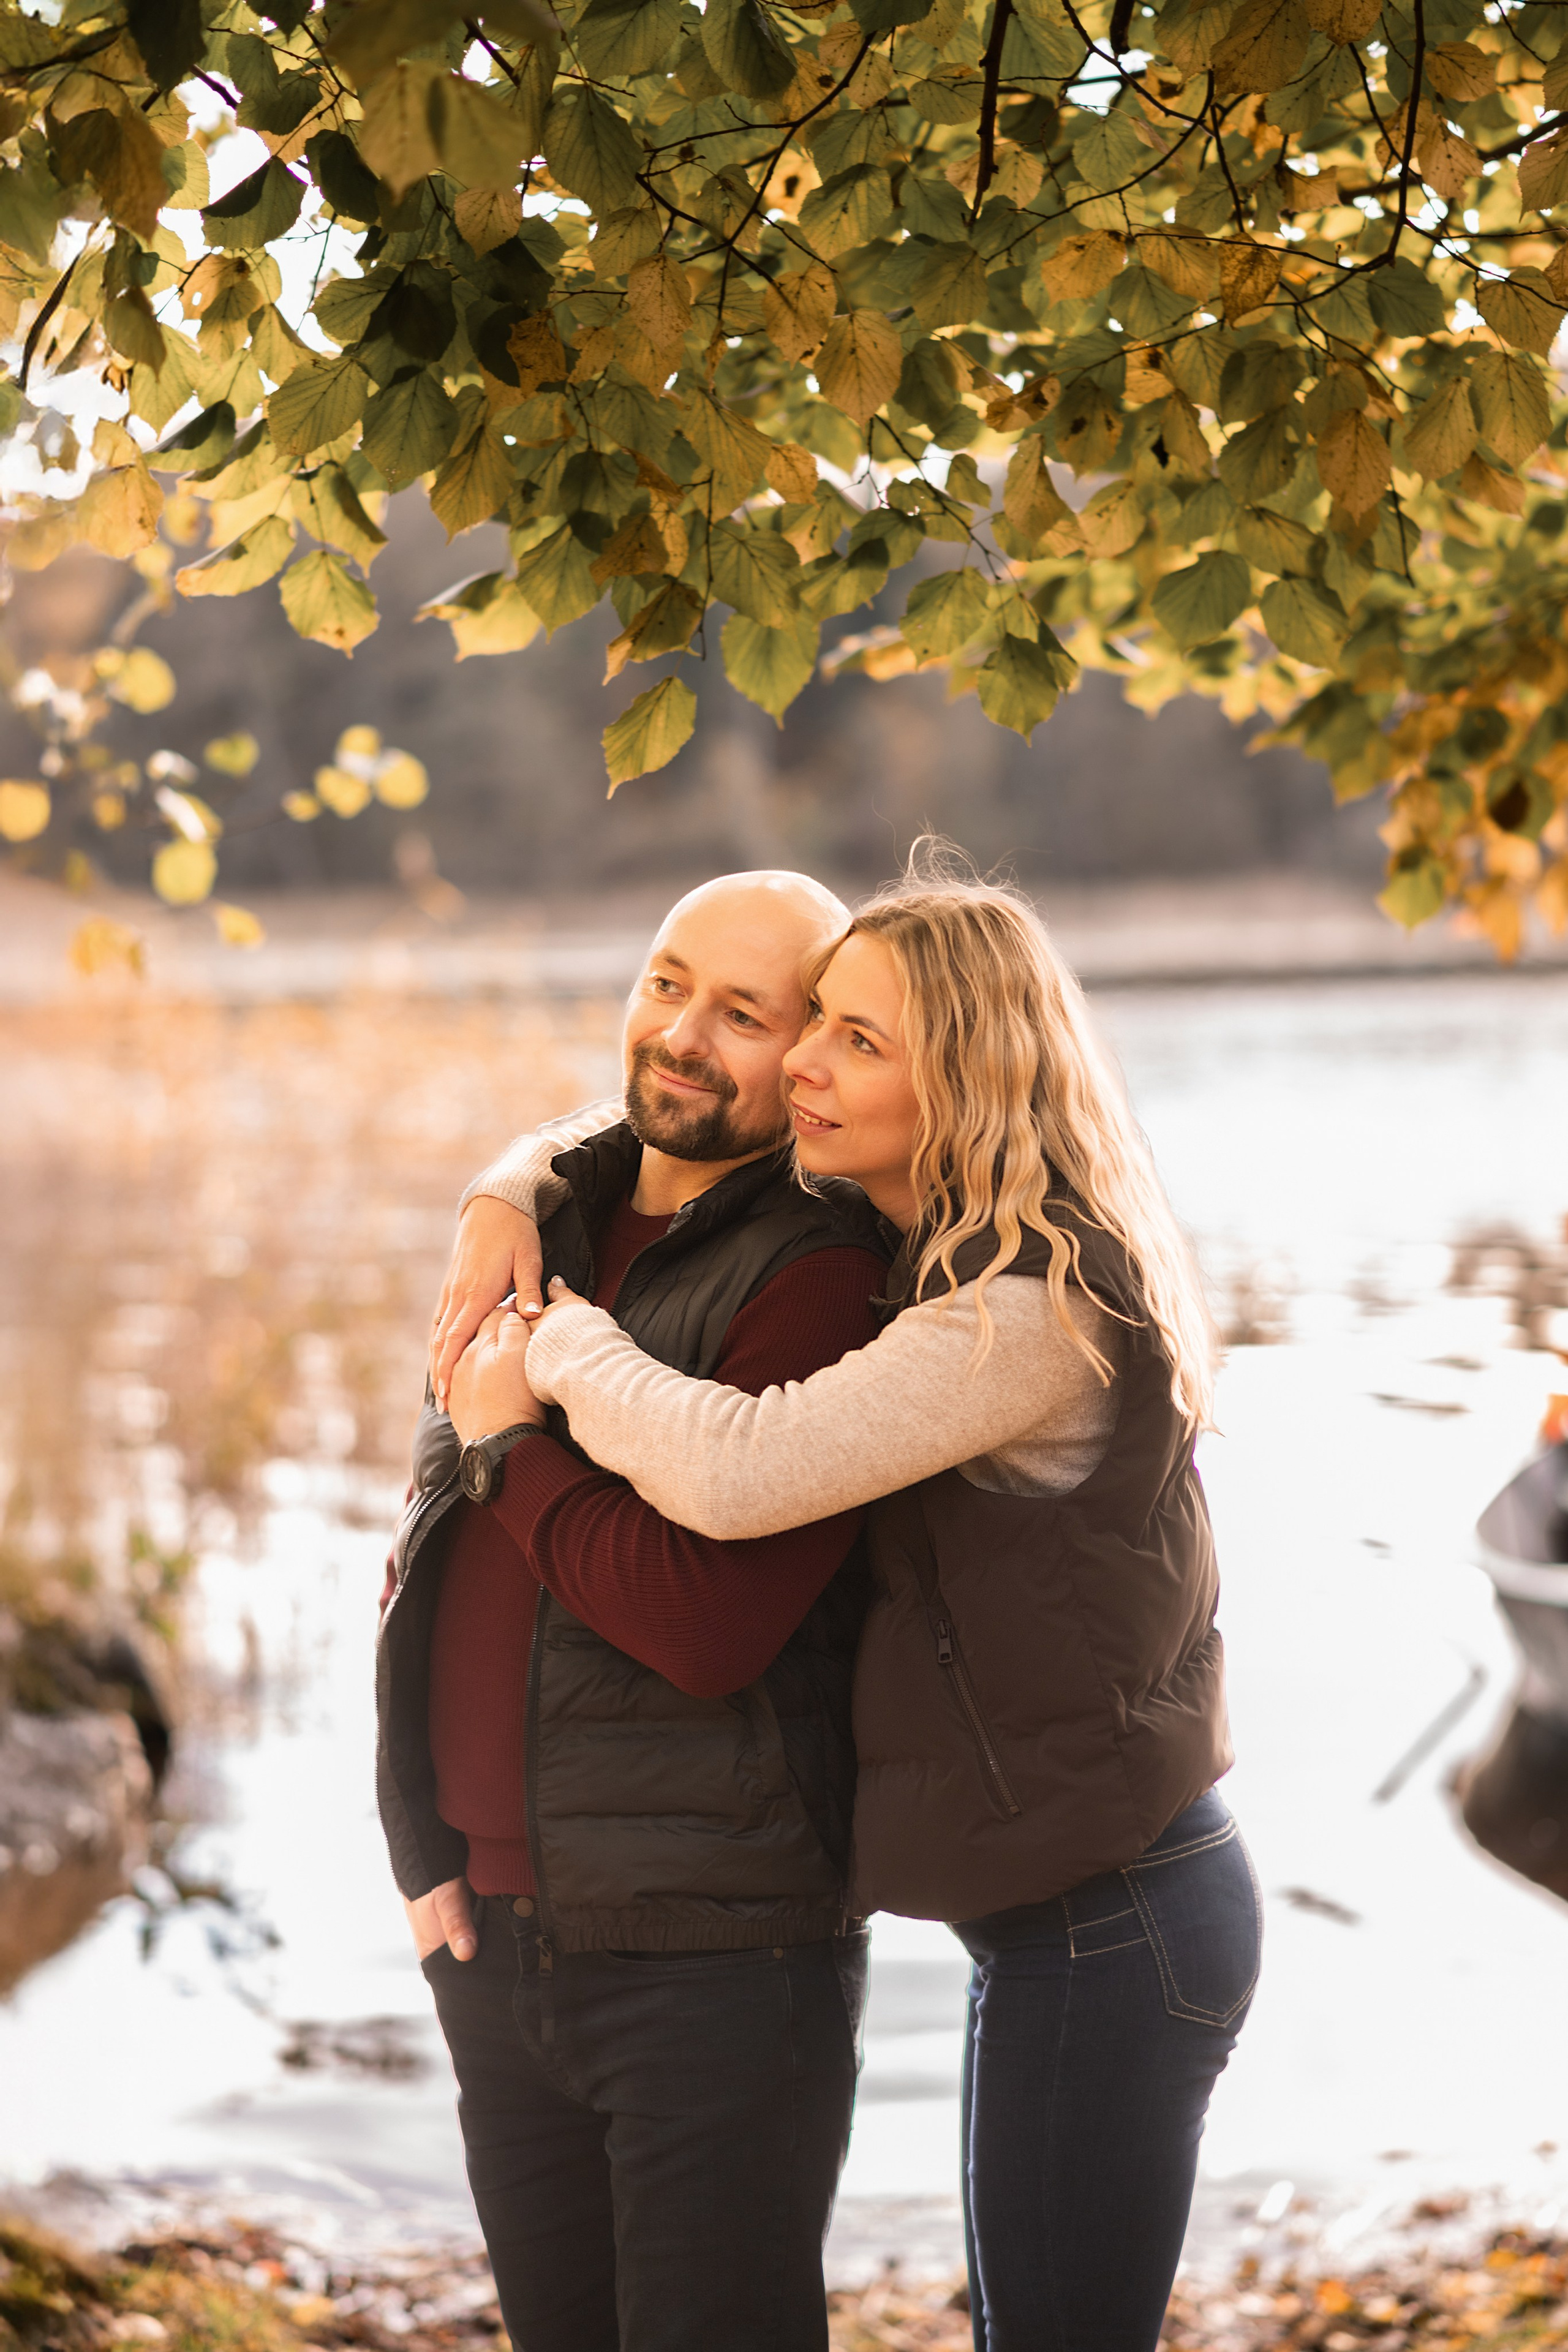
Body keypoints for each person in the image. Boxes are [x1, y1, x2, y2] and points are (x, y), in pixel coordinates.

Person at [447, 858, 1261, 2352]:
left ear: (964, 1080)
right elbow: (643, 1119)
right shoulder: (939, 1257)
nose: (804, 1063)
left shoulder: (1022, 1311)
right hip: (1059, 1918)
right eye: (810, 1022)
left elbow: (740, 1470)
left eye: (858, 1041)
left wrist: (547, 1362)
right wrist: (513, 1180)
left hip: (1118, 1918)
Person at [377, 870, 894, 2352]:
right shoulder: (548, 1220)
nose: (682, 1034)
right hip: (490, 1933)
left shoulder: (817, 1273)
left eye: (743, 1014)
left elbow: (702, 1626)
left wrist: (508, 1445)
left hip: (711, 1960)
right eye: (667, 982)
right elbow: (427, 1555)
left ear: (808, 1059)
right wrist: (420, 1832)